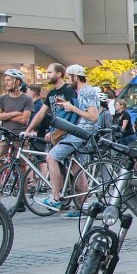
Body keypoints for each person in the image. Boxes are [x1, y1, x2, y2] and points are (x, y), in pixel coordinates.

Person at [41, 64, 100, 212]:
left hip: (82, 133)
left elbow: (93, 116)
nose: (68, 80)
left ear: (75, 76)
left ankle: (55, 198)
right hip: (81, 133)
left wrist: (72, 108)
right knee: (77, 168)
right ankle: (82, 207)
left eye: (69, 77)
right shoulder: (81, 91)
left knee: (51, 157)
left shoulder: (86, 91)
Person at [0, 69, 32, 154]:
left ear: (17, 81)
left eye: (8, 80)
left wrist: (5, 115)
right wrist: (15, 113)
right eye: (5, 80)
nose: (6, 82)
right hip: (5, 136)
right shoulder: (2, 99)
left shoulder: (27, 99)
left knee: (23, 164)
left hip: (20, 136)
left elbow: (23, 119)